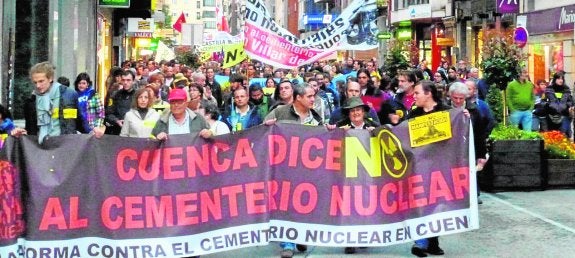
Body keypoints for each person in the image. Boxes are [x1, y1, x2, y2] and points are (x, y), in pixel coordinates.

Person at [264, 84, 321, 258]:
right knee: (284, 204)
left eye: (313, 96)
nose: (313, 99)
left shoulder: (316, 117)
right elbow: (262, 131)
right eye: (309, 96)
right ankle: (287, 242)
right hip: (283, 169)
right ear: (298, 98)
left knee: (303, 203)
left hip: (307, 169)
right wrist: (267, 125)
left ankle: (300, 235)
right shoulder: (280, 112)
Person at [403, 80, 448, 257]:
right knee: (420, 203)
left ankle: (433, 241)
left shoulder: (445, 111)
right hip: (419, 166)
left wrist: (465, 116)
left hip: (440, 166)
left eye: (417, 93)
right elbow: (402, 133)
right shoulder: (414, 114)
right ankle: (420, 242)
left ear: (428, 93)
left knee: (436, 203)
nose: (414, 97)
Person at [12, 62, 87, 143]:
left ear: (50, 78)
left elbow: (80, 123)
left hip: (64, 146)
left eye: (41, 81)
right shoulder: (31, 101)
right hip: (40, 148)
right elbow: (31, 130)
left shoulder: (69, 95)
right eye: (35, 82)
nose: (38, 85)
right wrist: (21, 133)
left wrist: (94, 133)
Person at [541, 71, 573, 137]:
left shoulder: (567, 89)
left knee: (563, 136)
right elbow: (543, 102)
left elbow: (570, 101)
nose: (560, 80)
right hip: (550, 116)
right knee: (552, 137)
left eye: (562, 79)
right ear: (555, 79)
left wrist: (567, 106)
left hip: (564, 115)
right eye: (558, 79)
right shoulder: (548, 89)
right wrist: (548, 106)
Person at [105, 70, 137, 135]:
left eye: (128, 80)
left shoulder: (138, 96)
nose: (125, 82)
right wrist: (116, 121)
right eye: (123, 80)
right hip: (117, 130)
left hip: (134, 130)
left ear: (133, 81)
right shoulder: (115, 95)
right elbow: (108, 113)